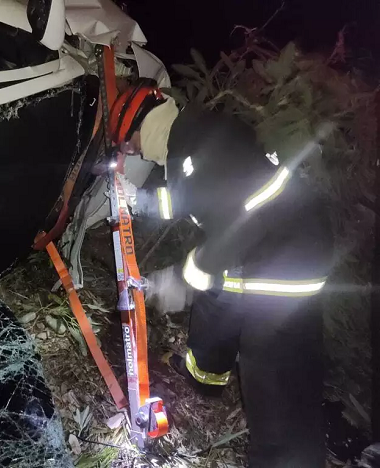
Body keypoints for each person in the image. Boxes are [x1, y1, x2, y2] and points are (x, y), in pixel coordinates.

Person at [109, 79, 334, 467]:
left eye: (130, 144)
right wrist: (138, 200)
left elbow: (240, 224)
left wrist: (183, 277)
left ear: (141, 125)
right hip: (285, 246)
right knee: (220, 296)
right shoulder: (192, 143)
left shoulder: (198, 151)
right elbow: (190, 199)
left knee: (273, 384)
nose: (134, 152)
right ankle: (207, 376)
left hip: (285, 259)